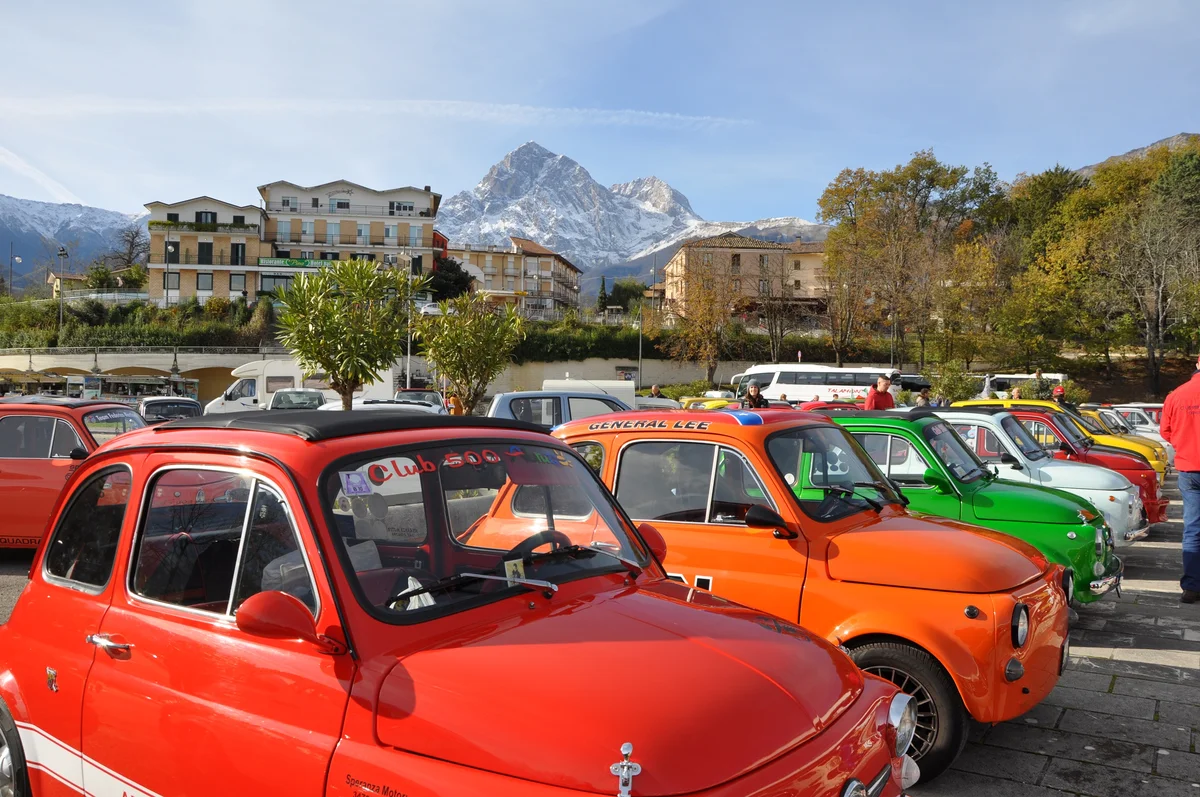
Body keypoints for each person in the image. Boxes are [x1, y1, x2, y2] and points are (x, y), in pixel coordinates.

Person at [1161, 355, 1200, 603]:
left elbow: (1165, 430)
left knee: (1194, 528)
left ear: (1197, 365)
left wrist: (1184, 446)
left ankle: (1193, 586)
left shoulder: (1177, 395)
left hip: (1189, 468)